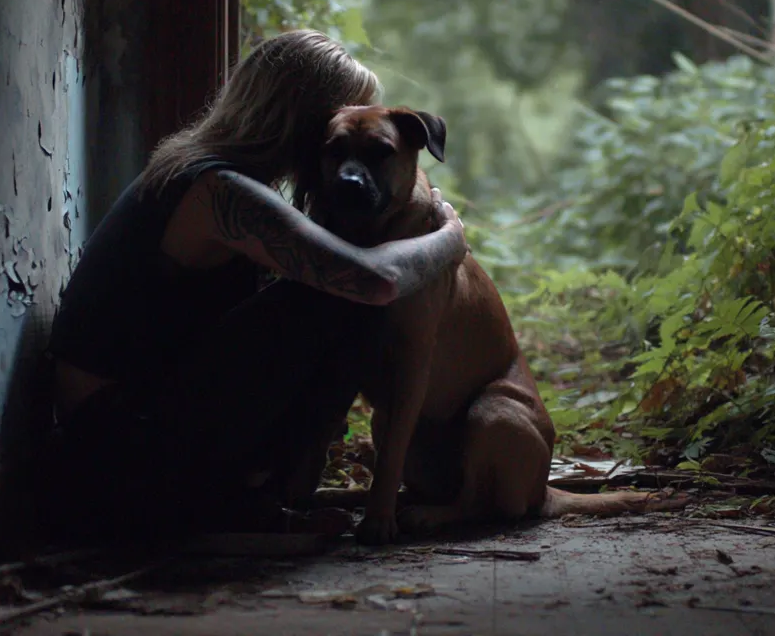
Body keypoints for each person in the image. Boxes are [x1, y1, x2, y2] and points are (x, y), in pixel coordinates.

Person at [37, 30, 468, 544]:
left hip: (124, 430)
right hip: (120, 452)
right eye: (333, 134)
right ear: (303, 122)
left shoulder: (206, 172)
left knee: (314, 297)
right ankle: (229, 510)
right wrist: (449, 237)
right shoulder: (221, 191)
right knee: (336, 300)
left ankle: (257, 498)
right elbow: (373, 283)